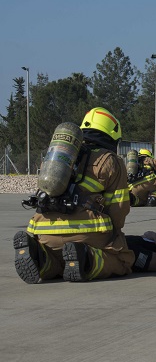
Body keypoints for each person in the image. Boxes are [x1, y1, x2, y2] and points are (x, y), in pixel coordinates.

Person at [14, 107, 135, 283]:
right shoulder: (111, 160)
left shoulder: (59, 156)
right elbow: (119, 210)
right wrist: (114, 235)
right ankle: (87, 258)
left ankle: (41, 258)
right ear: (113, 135)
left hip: (42, 230)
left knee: (57, 259)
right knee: (123, 259)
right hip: (87, 232)